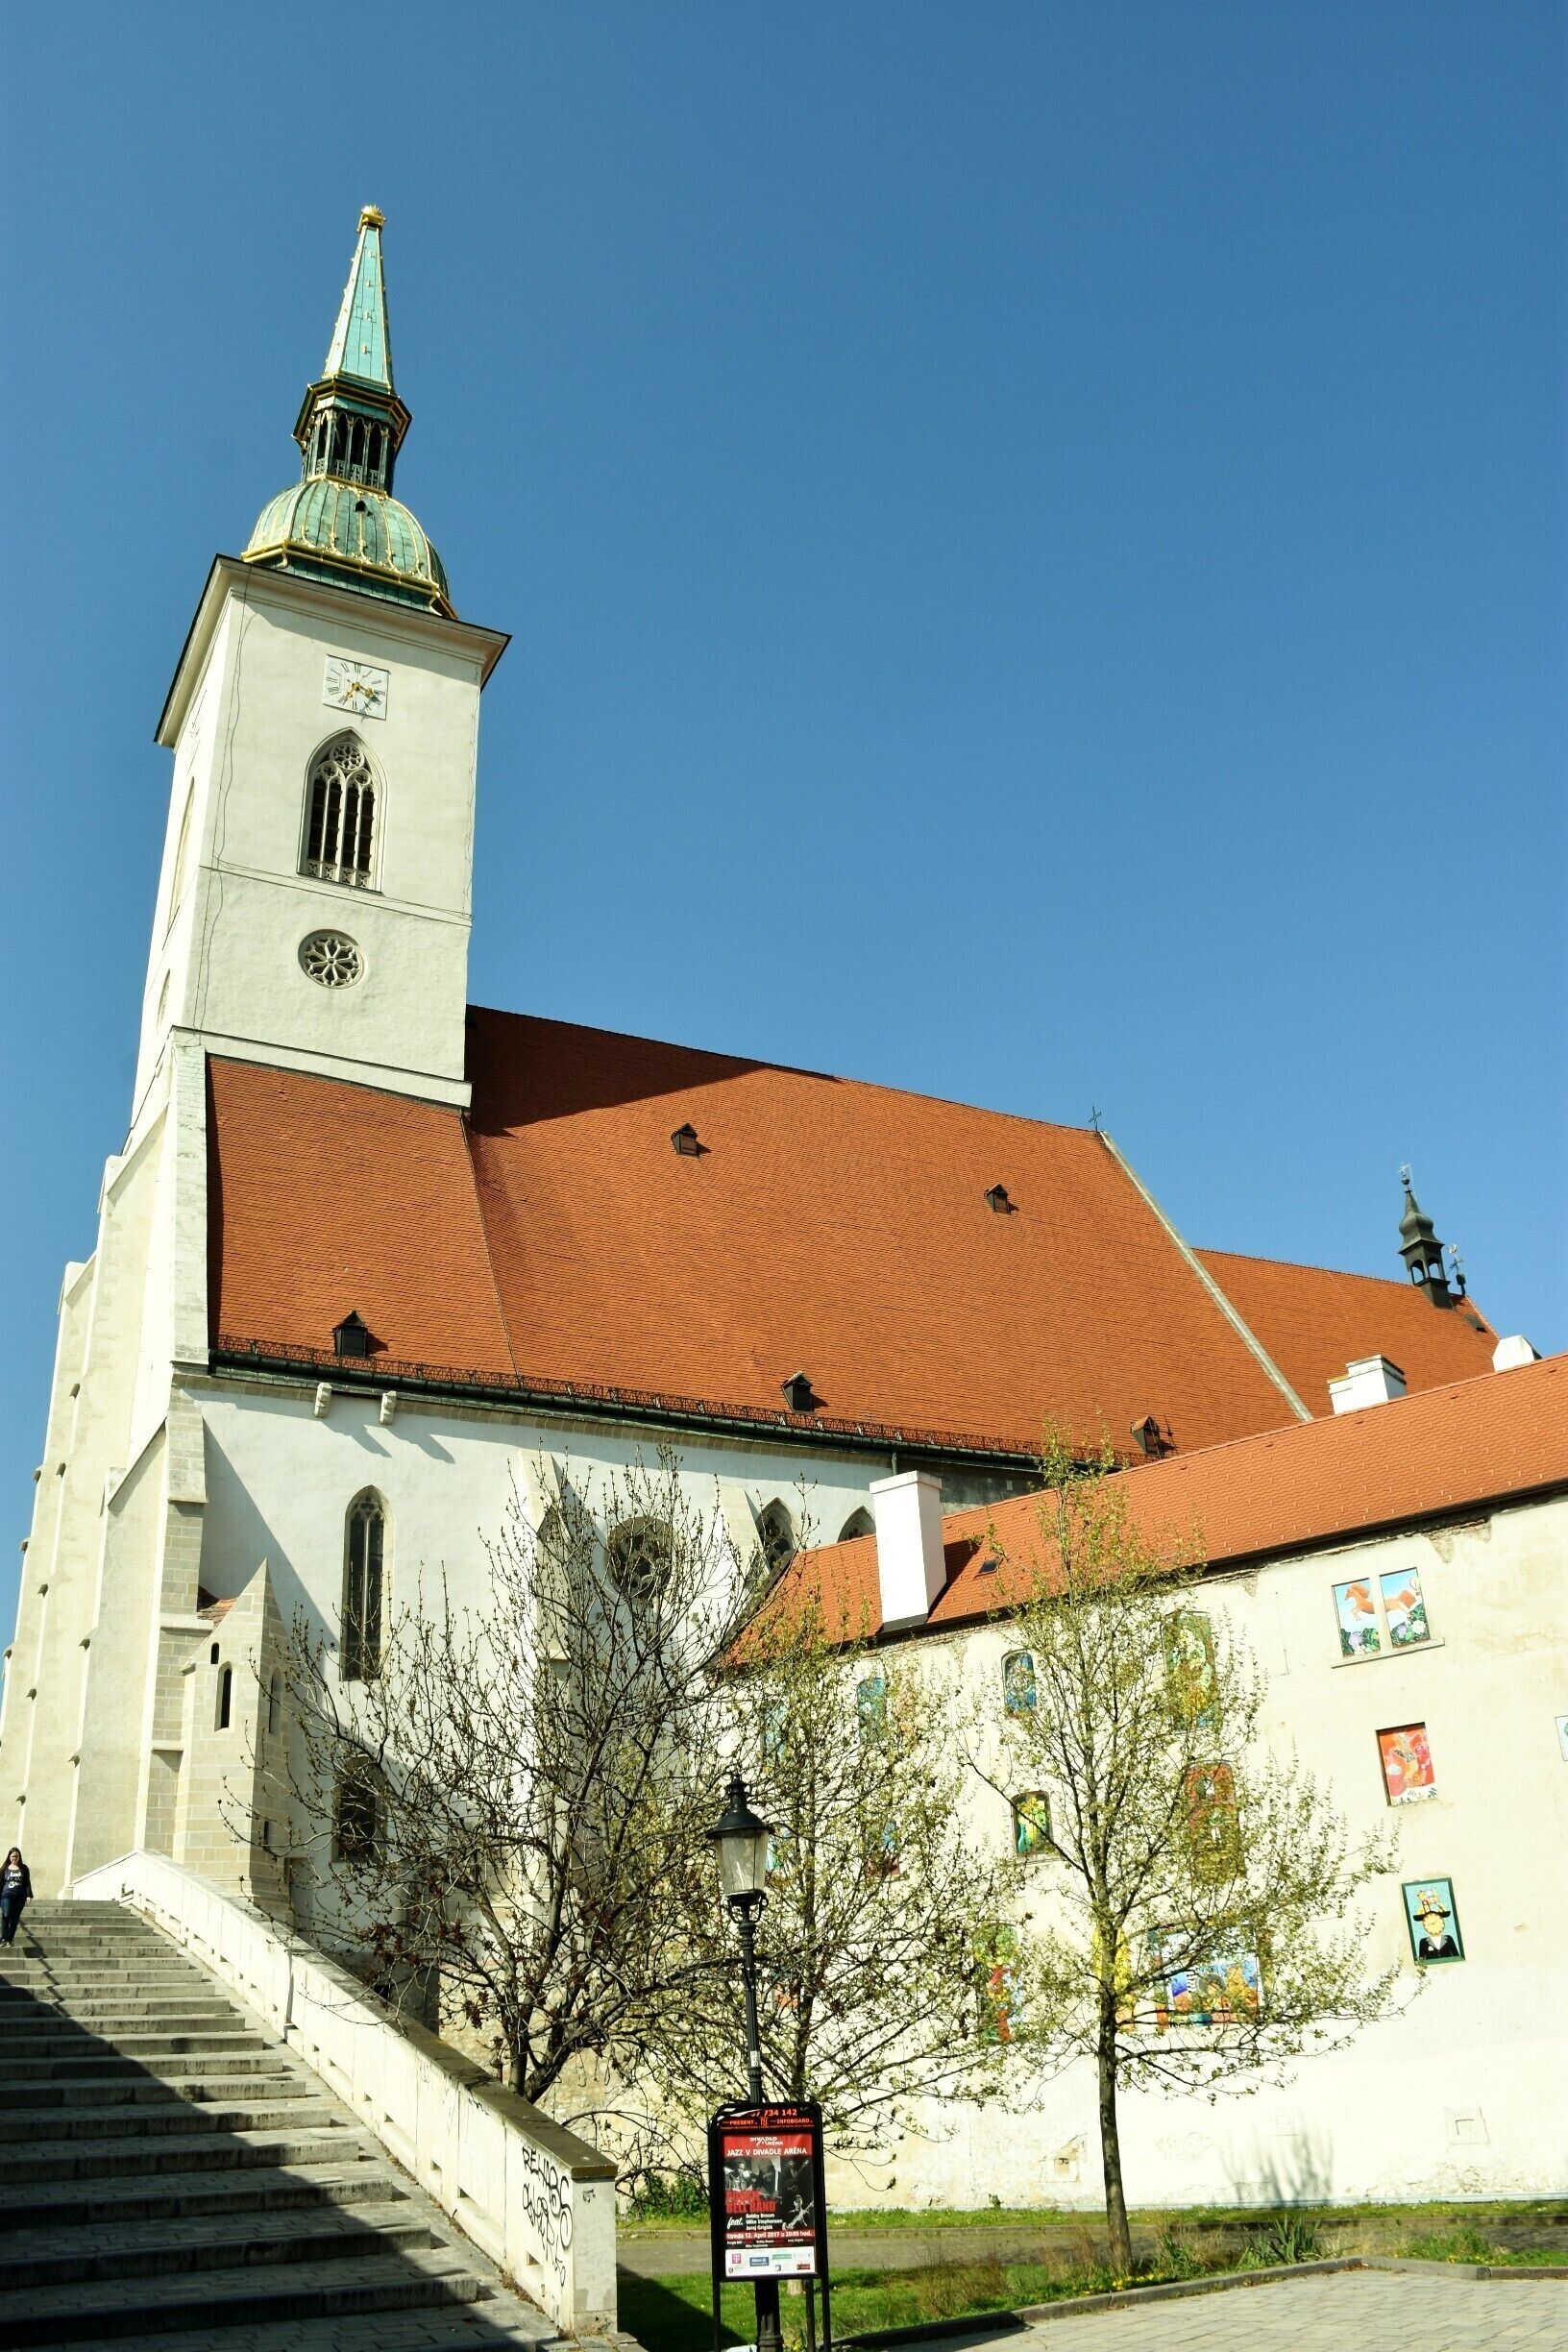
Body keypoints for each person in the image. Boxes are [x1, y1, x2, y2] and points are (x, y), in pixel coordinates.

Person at [0, 1849, 32, 1946]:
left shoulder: (24, 1868)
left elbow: (27, 1882)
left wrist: (29, 1895)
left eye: (17, 1856)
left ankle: (10, 1939)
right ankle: (3, 1938)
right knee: (6, 1915)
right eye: (13, 1856)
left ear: (19, 1857)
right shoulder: (5, 1868)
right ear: (9, 1857)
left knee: (15, 1918)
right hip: (6, 1895)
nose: (15, 1858)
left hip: (19, 1897)